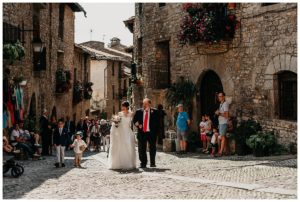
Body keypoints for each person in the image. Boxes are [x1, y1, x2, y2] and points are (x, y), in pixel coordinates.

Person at [108, 101, 136, 170]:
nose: (122, 107)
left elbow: (134, 121)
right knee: (120, 146)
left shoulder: (131, 114)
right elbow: (116, 123)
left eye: (123, 106)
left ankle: (129, 163)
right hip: (120, 132)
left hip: (128, 131)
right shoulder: (119, 114)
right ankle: (119, 163)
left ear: (126, 107)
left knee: (128, 146)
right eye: (122, 106)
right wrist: (116, 123)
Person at [133, 98, 159, 168]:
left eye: (145, 104)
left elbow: (158, 123)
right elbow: (134, 120)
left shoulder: (155, 111)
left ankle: (152, 163)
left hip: (152, 133)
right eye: (143, 103)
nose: (144, 105)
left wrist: (157, 133)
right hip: (142, 133)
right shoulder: (139, 111)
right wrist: (138, 124)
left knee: (152, 148)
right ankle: (143, 163)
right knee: (141, 149)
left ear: (149, 104)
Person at [215, 92, 229, 157]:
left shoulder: (225, 104)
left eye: (220, 96)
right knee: (224, 137)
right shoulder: (221, 104)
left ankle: (220, 152)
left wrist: (219, 113)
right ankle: (226, 151)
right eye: (218, 96)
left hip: (224, 122)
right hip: (221, 122)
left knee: (222, 137)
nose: (219, 98)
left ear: (224, 97)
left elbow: (226, 115)